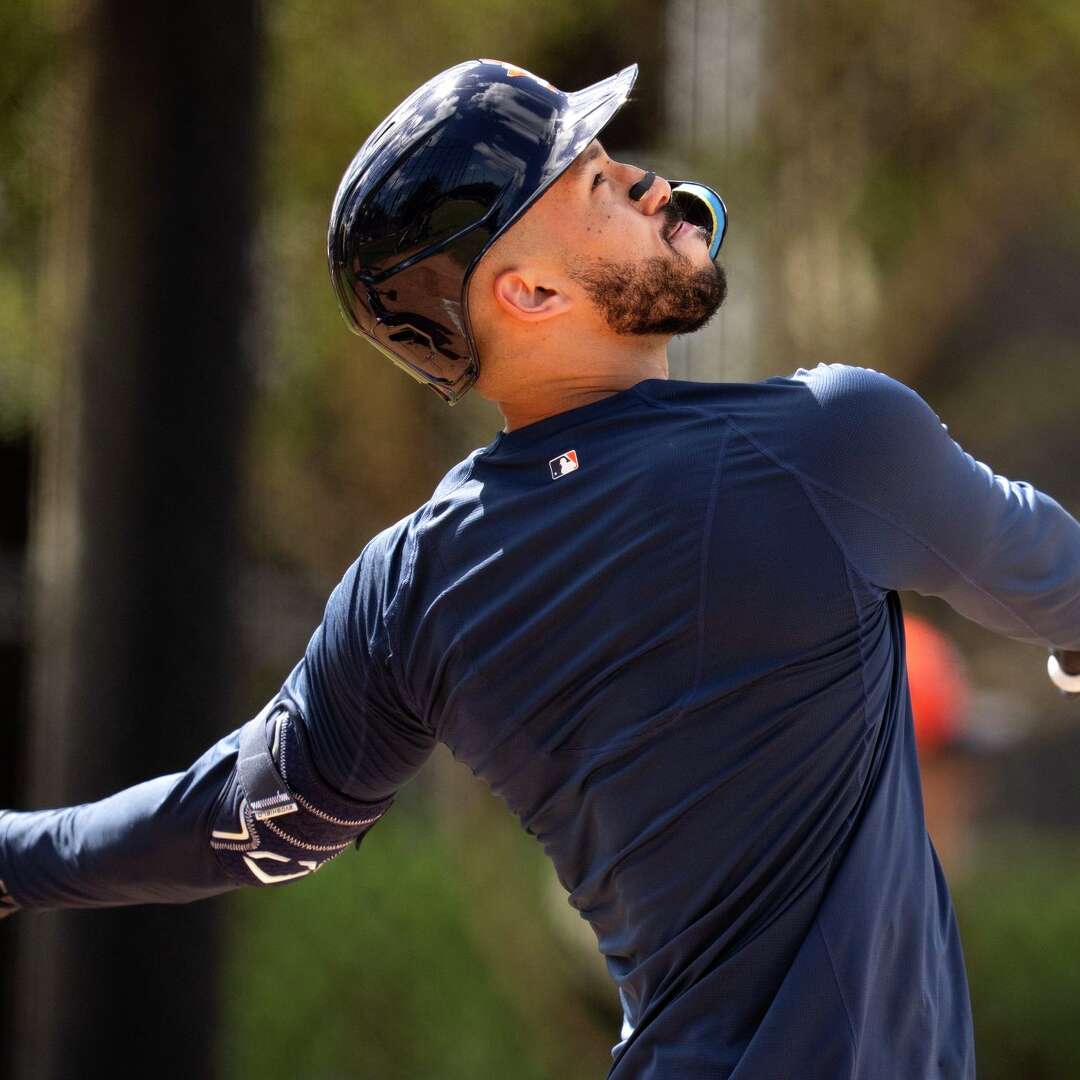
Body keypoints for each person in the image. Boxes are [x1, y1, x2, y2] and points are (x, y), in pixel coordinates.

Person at [2, 58, 1079, 1079]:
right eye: (602, 183)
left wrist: (16, 857)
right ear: (526, 295)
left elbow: (248, 823)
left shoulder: (416, 586)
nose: (654, 184)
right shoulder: (827, 444)